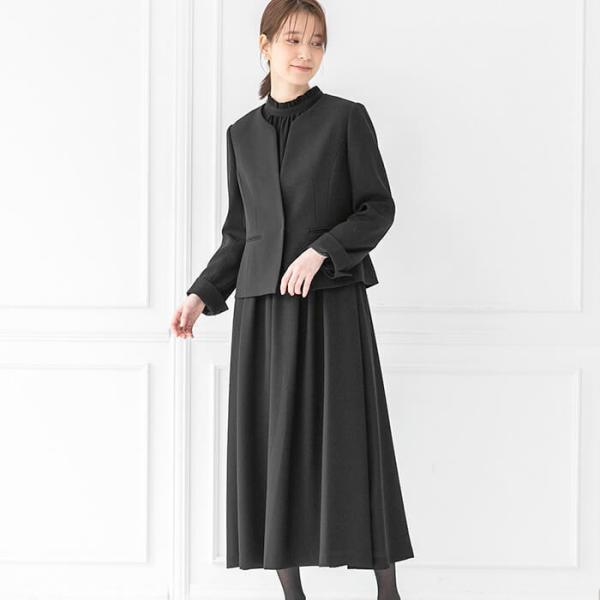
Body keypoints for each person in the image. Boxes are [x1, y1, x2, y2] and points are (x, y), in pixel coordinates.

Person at [170, 1, 414, 599]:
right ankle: (292, 594)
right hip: (263, 314)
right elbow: (240, 233)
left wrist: (322, 251)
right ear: (265, 46)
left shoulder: (347, 119)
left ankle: (387, 592)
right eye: (293, 40)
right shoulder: (241, 135)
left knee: (350, 444)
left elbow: (377, 207)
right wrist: (202, 293)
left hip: (331, 306)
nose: (306, 53)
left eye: (317, 42)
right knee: (272, 448)